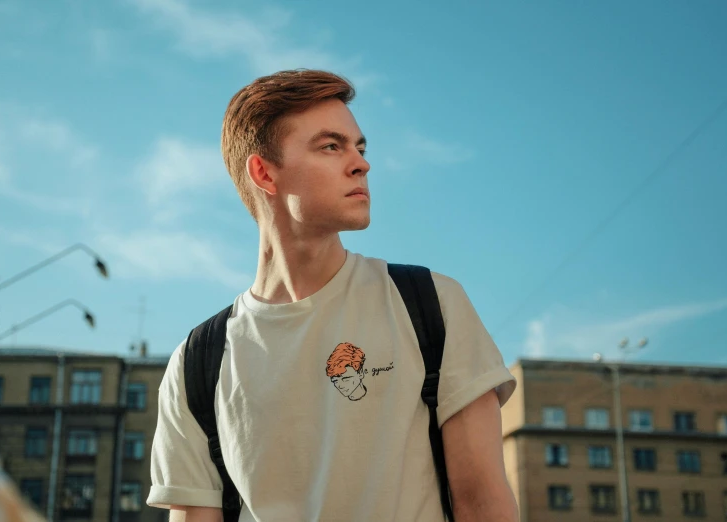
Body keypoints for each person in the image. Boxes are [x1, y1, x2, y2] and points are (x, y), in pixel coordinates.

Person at [147, 69, 519, 522]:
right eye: (331, 146)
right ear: (264, 172)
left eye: (359, 147)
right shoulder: (196, 364)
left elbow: (483, 502)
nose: (361, 163)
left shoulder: (429, 304)